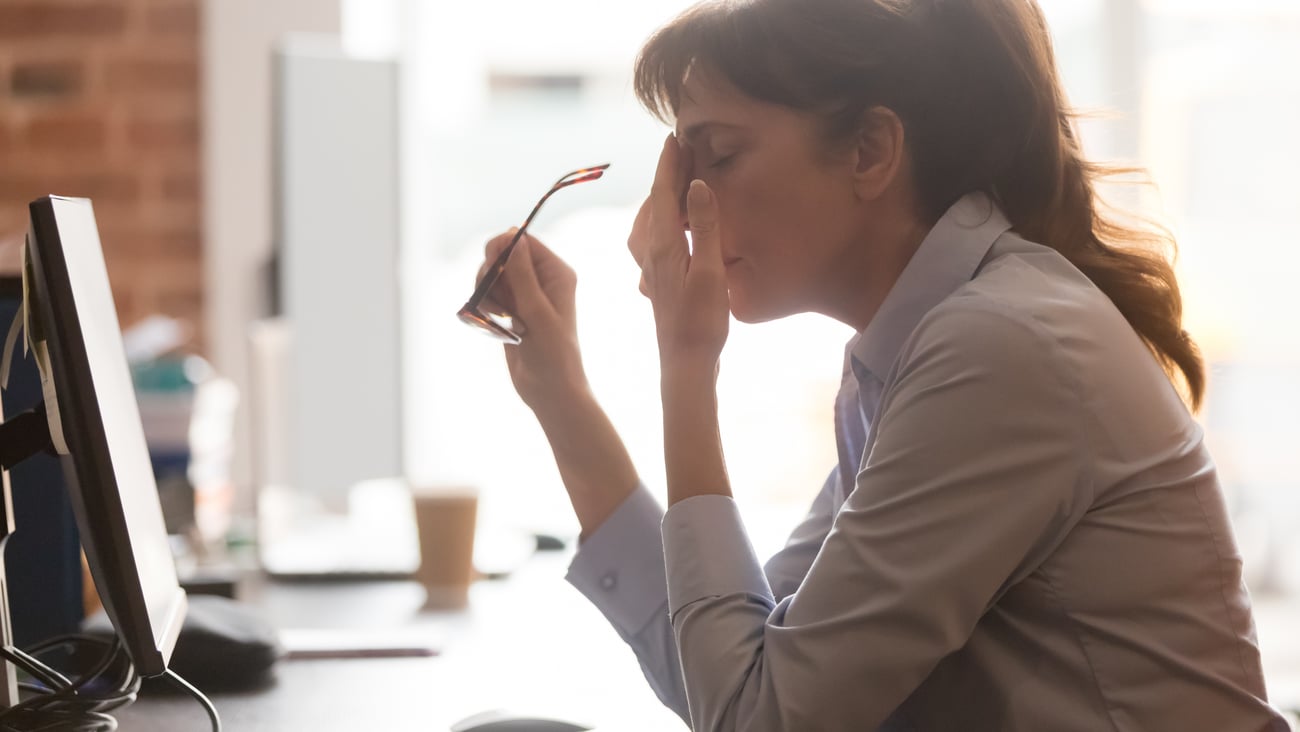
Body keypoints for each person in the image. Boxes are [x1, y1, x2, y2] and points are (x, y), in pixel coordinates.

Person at [471, 0, 1290, 729]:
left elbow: (756, 717)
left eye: (714, 157)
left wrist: (687, 367)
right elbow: (727, 664)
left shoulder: (998, 348)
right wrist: (562, 397)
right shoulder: (922, 347)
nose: (678, 210)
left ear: (869, 150)